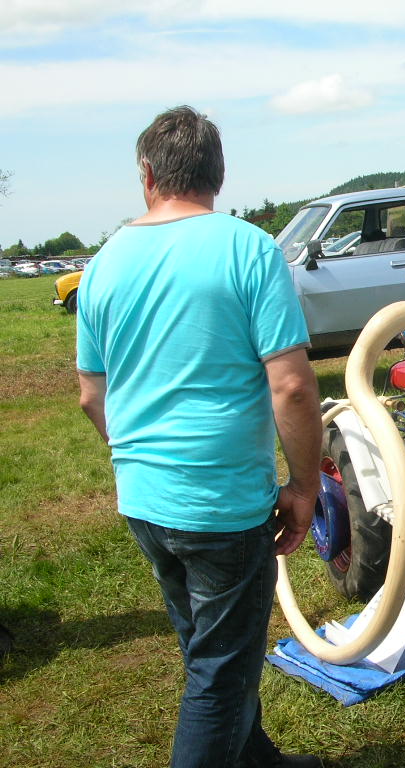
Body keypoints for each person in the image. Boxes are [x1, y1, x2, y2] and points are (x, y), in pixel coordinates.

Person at [76, 106, 323, 768]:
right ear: (218, 175)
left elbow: (90, 396)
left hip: (145, 502)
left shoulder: (100, 265)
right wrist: (306, 486)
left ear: (148, 175)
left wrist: (141, 460)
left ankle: (258, 762)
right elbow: (294, 387)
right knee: (218, 675)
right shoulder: (247, 247)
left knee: (213, 657)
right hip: (220, 506)